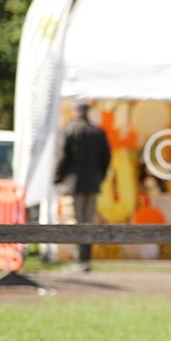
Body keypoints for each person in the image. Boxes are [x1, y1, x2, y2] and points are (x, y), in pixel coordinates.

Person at [54, 101, 111, 270]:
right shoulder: (97, 131)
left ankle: (80, 261)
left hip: (72, 184)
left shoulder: (68, 129)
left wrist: (57, 178)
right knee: (89, 222)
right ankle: (85, 260)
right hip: (92, 183)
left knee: (76, 221)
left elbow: (61, 156)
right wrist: (99, 177)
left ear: (74, 112)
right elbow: (106, 159)